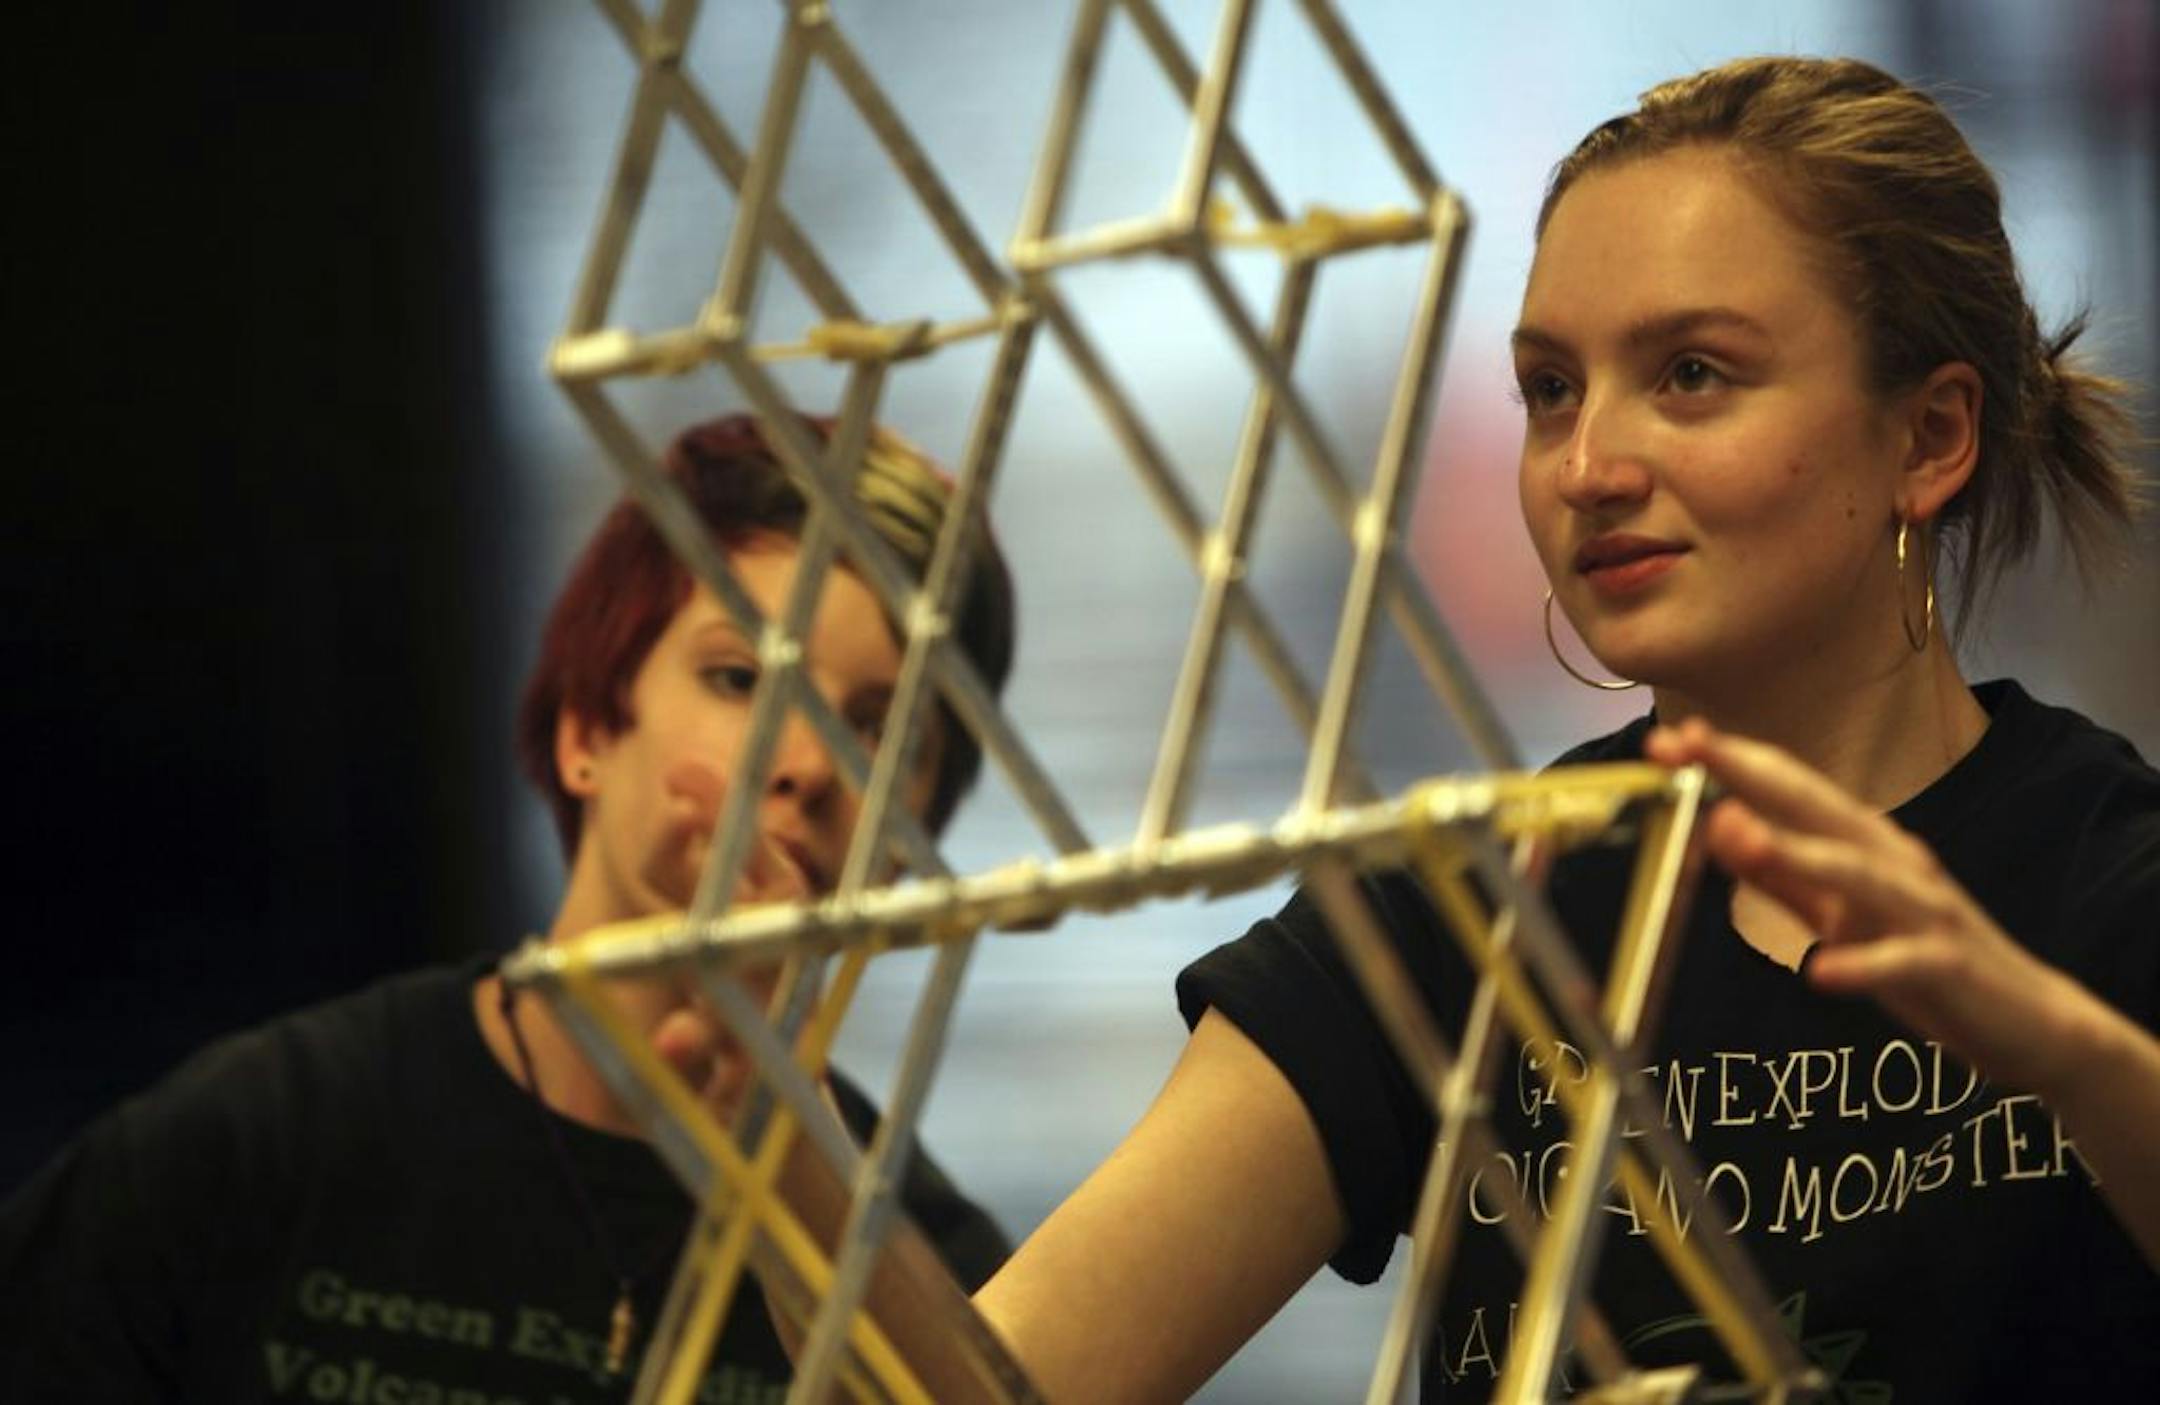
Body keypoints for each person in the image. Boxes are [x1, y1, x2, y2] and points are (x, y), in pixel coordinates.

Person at [968, 56, 2160, 1401]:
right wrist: (768, 1152)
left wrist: (2060, 1050)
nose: (1588, 468)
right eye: (1550, 390)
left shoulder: (2111, 884)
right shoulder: (1459, 918)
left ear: (1930, 438)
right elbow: (998, 1381)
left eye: (1693, 373)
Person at [0, 413, 1020, 1402]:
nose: (805, 765)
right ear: (586, 725)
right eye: (739, 675)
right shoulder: (259, 1148)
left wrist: (793, 1145)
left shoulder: (932, 1279)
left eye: (883, 732)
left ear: (904, 850)